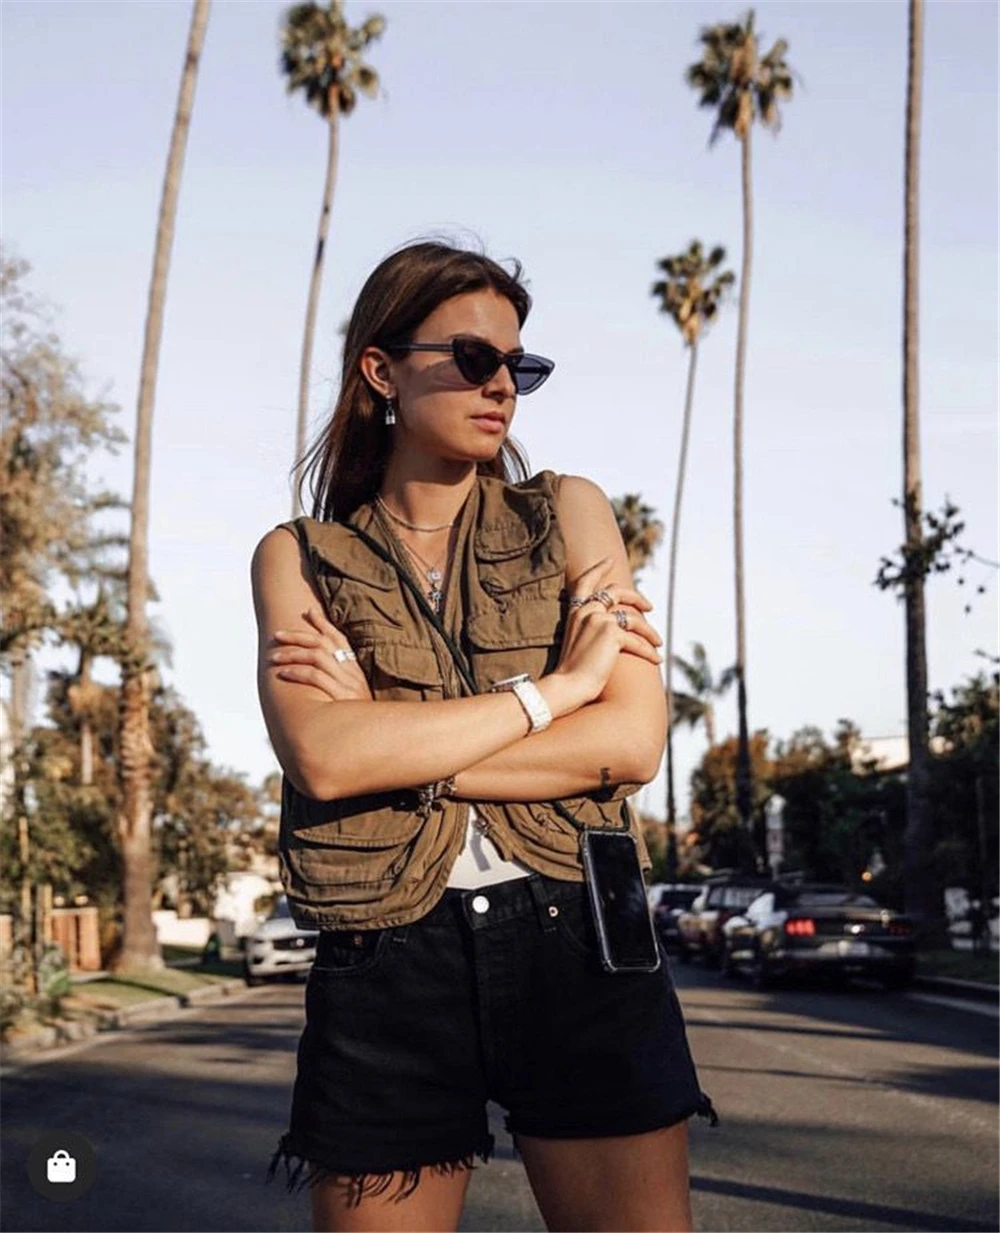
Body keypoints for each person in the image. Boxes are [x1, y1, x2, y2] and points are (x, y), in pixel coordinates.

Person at [254, 239, 715, 1232]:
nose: (501, 384)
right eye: (471, 358)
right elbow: (323, 758)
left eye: (518, 365)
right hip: (385, 947)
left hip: (584, 925)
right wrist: (560, 690)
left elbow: (630, 743)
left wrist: (396, 748)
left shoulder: (570, 511)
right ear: (381, 370)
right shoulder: (299, 558)